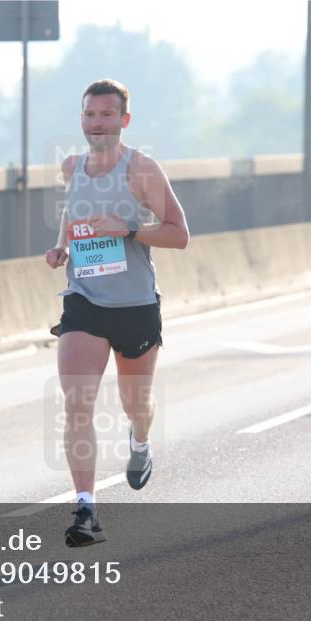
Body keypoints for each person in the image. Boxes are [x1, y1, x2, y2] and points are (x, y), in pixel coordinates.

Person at [44, 79, 189, 547]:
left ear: (124, 121)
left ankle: (140, 440)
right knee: (77, 401)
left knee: (135, 404)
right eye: (89, 115)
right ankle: (85, 509)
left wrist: (127, 228)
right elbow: (74, 211)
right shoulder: (72, 167)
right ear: (81, 118)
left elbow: (178, 233)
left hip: (135, 306)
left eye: (107, 115)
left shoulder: (142, 170)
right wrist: (63, 246)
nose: (97, 123)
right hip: (84, 300)